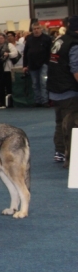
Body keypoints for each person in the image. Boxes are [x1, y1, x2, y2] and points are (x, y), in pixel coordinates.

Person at [47, 15, 78, 164]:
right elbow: (76, 69)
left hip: (55, 89)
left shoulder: (59, 40)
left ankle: (59, 152)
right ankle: (70, 157)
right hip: (68, 90)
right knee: (72, 124)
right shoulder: (74, 44)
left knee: (60, 122)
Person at [23, 22, 52, 107]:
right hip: (32, 64)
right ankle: (37, 101)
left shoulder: (47, 38)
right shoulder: (29, 38)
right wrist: (25, 65)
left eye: (38, 28)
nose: (36, 30)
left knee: (43, 83)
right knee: (35, 84)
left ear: (41, 29)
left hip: (44, 64)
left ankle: (45, 101)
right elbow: (26, 52)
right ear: (32, 30)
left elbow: (49, 52)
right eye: (34, 29)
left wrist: (47, 63)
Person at [0, 33, 18, 108]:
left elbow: (15, 53)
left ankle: (10, 102)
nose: (0, 39)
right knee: (0, 86)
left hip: (7, 68)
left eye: (1, 38)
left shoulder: (9, 45)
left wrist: (8, 54)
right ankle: (1, 102)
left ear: (4, 38)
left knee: (8, 86)